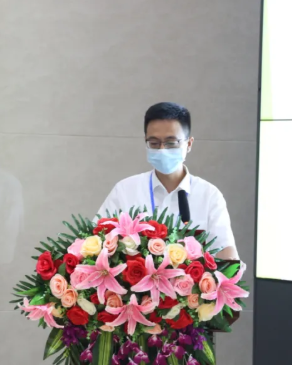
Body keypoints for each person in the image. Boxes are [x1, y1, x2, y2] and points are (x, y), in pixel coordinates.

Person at [97, 102, 238, 260]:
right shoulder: (125, 190)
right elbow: (95, 240)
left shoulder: (209, 195)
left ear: (189, 144)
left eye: (171, 143)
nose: (162, 150)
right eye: (154, 143)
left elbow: (226, 253)